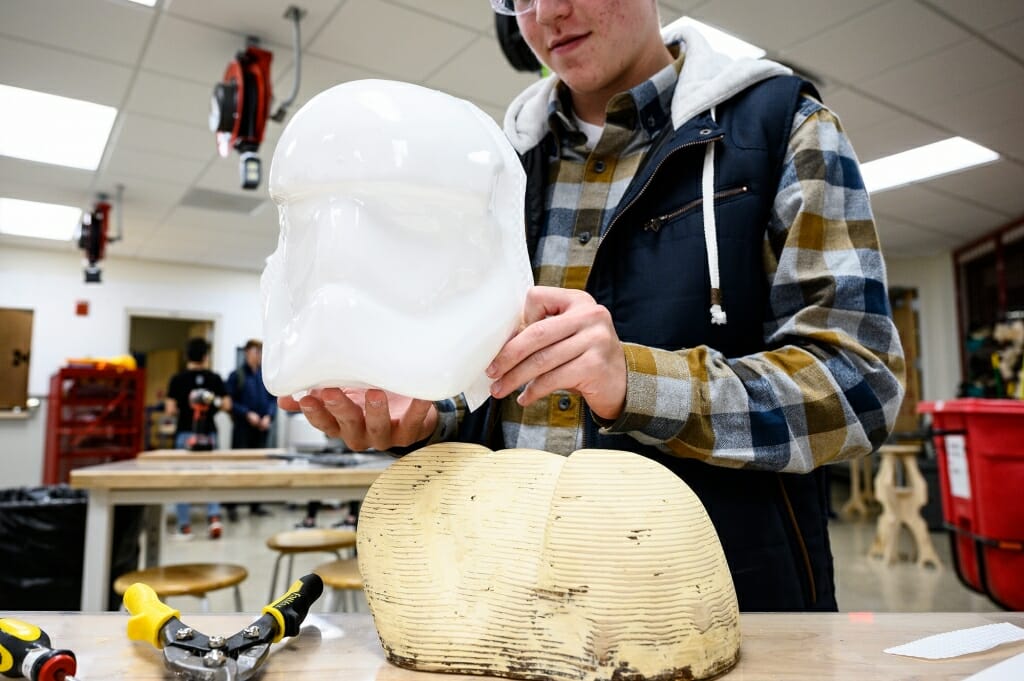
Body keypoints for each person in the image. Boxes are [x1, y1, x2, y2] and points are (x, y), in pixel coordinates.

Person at [281, 0, 905, 612]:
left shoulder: (783, 126)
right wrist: (420, 417)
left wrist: (634, 381)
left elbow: (861, 385)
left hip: (718, 608)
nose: (546, 12)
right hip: (507, 602)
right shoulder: (492, 171)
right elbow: (479, 390)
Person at [165, 337, 232, 539]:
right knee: (211, 476)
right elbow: (227, 405)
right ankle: (214, 519)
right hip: (209, 433)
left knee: (182, 479)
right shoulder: (215, 379)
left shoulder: (177, 379)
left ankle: (184, 526)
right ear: (205, 356)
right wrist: (212, 403)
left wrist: (183, 409)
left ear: (187, 356)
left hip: (185, 432)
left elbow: (169, 410)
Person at [223, 339, 276, 521]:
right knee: (238, 467)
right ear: (247, 352)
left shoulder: (265, 376)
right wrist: (247, 414)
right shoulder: (236, 375)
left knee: (259, 467)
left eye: (262, 352)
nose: (259, 355)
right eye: (256, 351)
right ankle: (232, 506)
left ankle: (256, 505)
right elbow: (230, 404)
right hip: (243, 428)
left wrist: (269, 415)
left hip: (262, 428)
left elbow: (272, 399)